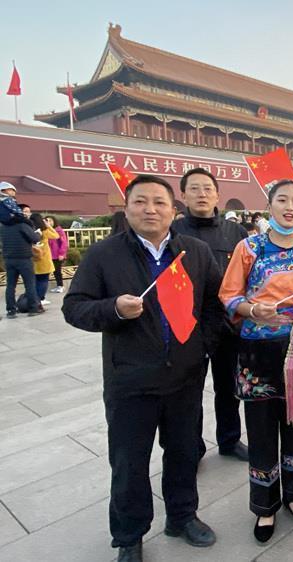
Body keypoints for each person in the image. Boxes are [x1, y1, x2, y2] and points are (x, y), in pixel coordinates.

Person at [62, 174, 224, 562]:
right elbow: (74, 307)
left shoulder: (195, 252)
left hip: (184, 377)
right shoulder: (104, 255)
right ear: (127, 207)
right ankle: (129, 536)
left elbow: (215, 307)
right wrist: (113, 308)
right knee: (130, 462)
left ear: (174, 209)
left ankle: (183, 517)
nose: (150, 209)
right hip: (130, 380)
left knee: (184, 452)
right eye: (140, 201)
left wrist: (201, 346)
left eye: (159, 202)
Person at [218, 179, 293, 544]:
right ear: (270, 205)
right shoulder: (249, 248)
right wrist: (252, 309)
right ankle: (265, 505)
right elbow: (229, 295)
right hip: (258, 351)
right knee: (262, 430)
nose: (290, 206)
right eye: (283, 199)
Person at [173, 168, 249, 462]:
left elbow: (248, 274)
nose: (202, 194)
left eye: (207, 188)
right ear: (183, 196)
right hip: (189, 326)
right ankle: (193, 446)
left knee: (228, 387)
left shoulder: (235, 232)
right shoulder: (174, 232)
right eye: (194, 189)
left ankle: (230, 439)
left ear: (217, 194)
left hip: (229, 325)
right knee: (189, 391)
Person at [1, 202, 42, 318]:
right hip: (24, 259)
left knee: (10, 285)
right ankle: (33, 308)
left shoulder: (3, 226)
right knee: (29, 284)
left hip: (9, 259)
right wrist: (38, 233)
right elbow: (34, 238)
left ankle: (11, 310)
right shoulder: (22, 225)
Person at [29, 213, 60, 304]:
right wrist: (48, 226)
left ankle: (35, 299)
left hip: (33, 258)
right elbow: (56, 235)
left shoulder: (30, 230)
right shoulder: (44, 231)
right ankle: (41, 298)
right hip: (44, 258)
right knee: (43, 280)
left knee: (35, 280)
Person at [45, 215, 69, 293]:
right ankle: (58, 285)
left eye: (50, 220)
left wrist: (61, 253)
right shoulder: (46, 230)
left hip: (57, 255)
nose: (49, 222)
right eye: (47, 220)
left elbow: (64, 243)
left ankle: (60, 286)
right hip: (49, 254)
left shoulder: (58, 230)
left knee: (57, 271)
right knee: (52, 271)